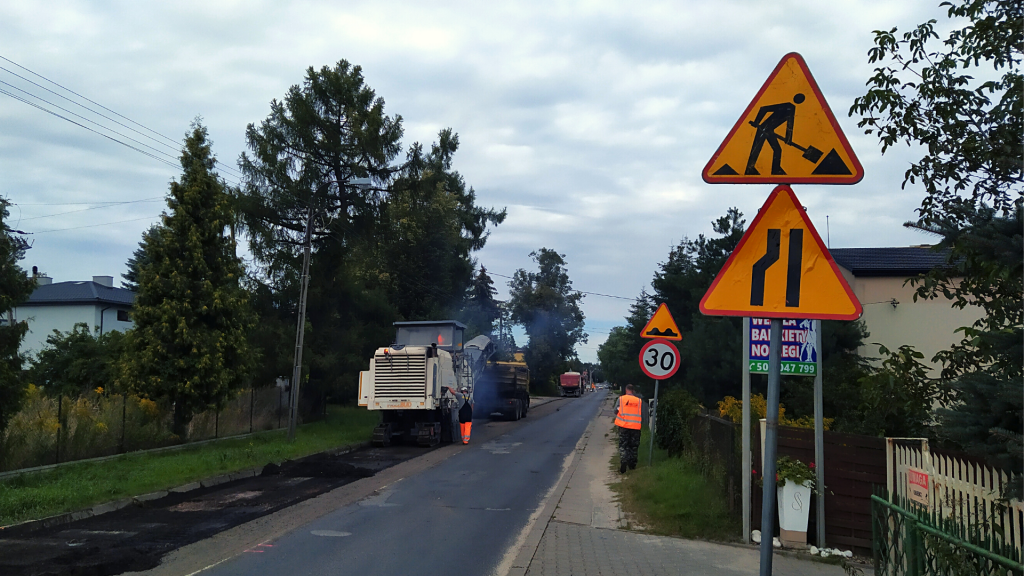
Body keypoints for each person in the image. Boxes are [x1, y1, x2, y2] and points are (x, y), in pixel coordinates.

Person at [614, 384, 643, 473]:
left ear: (626, 390)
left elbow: (615, 410)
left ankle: (624, 460)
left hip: (624, 426)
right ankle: (632, 465)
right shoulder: (639, 401)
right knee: (633, 446)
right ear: (633, 391)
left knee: (623, 445)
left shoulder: (621, 399)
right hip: (635, 427)